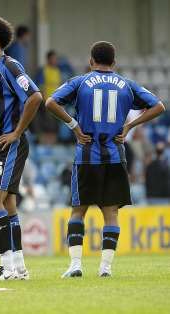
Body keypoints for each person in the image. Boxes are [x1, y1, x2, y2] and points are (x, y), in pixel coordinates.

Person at [45, 41, 166, 278]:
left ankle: (76, 265)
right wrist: (130, 125)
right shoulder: (126, 85)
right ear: (114, 62)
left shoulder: (81, 82)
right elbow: (159, 106)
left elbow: (50, 102)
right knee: (111, 213)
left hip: (87, 155)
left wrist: (74, 125)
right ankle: (105, 268)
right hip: (114, 156)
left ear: (91, 61)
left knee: (78, 211)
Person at [0, 16, 42, 280]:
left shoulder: (10, 66)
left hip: (8, 141)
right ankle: (19, 266)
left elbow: (35, 96)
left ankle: (7, 266)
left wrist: (16, 132)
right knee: (8, 203)